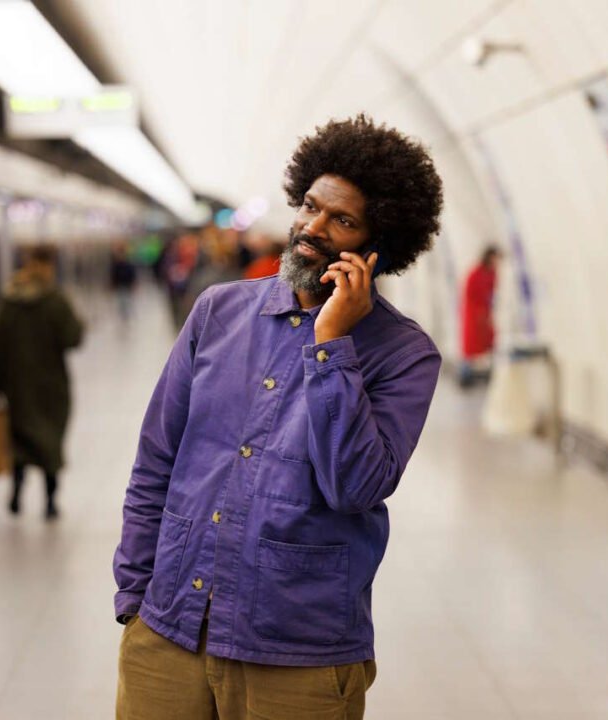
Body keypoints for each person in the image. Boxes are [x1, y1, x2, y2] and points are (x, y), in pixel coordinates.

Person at [113, 114, 444, 719]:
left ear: (378, 246)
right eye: (310, 207)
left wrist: (331, 347)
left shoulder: (404, 355)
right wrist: (135, 597)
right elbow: (155, 460)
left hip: (298, 650)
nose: (312, 228)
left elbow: (356, 486)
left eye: (341, 220)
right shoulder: (218, 312)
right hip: (168, 629)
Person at [0, 245, 84, 520]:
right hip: (51, 387)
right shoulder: (55, 300)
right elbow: (73, 338)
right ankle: (50, 502)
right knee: (50, 442)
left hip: (17, 385)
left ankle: (17, 493)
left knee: (20, 440)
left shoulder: (9, 299)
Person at [459, 245, 501, 388]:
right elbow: (471, 295)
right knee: (470, 345)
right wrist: (480, 312)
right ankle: (465, 376)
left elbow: (492, 293)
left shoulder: (492, 273)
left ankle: (488, 374)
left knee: (488, 343)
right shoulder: (476, 274)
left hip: (485, 314)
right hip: (474, 314)